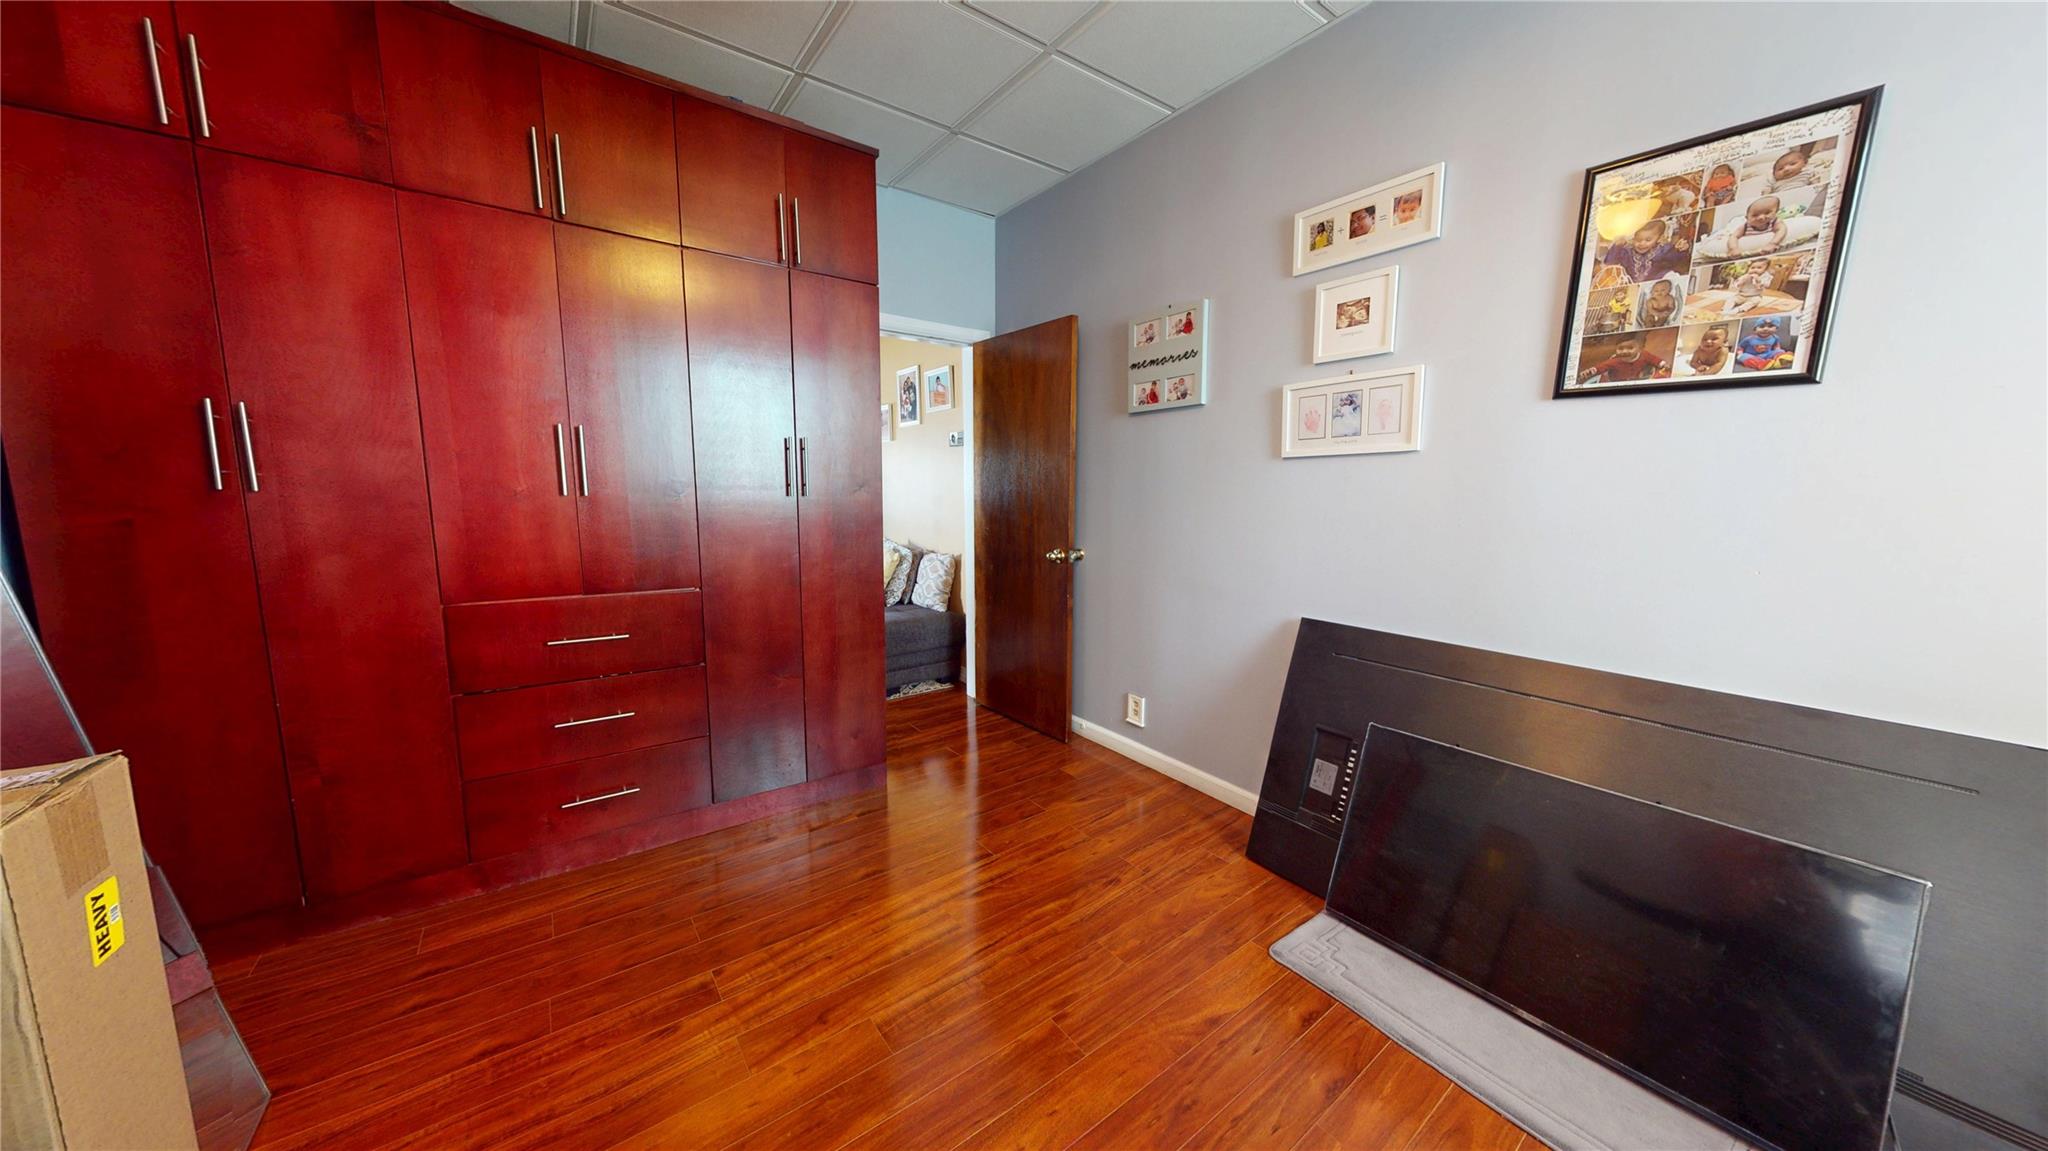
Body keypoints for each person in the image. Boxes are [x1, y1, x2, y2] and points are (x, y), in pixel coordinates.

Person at [1601, 218, 1692, 283]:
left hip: (1656, 283)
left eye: (1648, 240)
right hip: (1631, 284)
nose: (1642, 244)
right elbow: (1610, 262)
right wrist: (1617, 246)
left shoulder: (1663, 249)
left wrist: (1681, 250)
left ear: (1659, 239)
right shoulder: (1627, 250)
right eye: (1638, 240)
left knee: (1672, 275)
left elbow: (1676, 260)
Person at [1579, 333, 1669, 384]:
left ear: (1639, 348)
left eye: (1630, 348)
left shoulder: (1644, 354)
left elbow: (1654, 359)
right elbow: (1600, 367)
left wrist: (1663, 364)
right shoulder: (1614, 361)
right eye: (1620, 348)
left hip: (1636, 379)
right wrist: (1589, 372)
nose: (1624, 351)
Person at [1762, 146, 1829, 193]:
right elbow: (1767, 189)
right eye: (1780, 168)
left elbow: (1816, 182)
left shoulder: (1807, 172)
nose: (1786, 169)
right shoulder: (1775, 181)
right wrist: (1767, 192)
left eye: (1792, 164)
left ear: (1804, 164)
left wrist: (1815, 184)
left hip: (1803, 193)